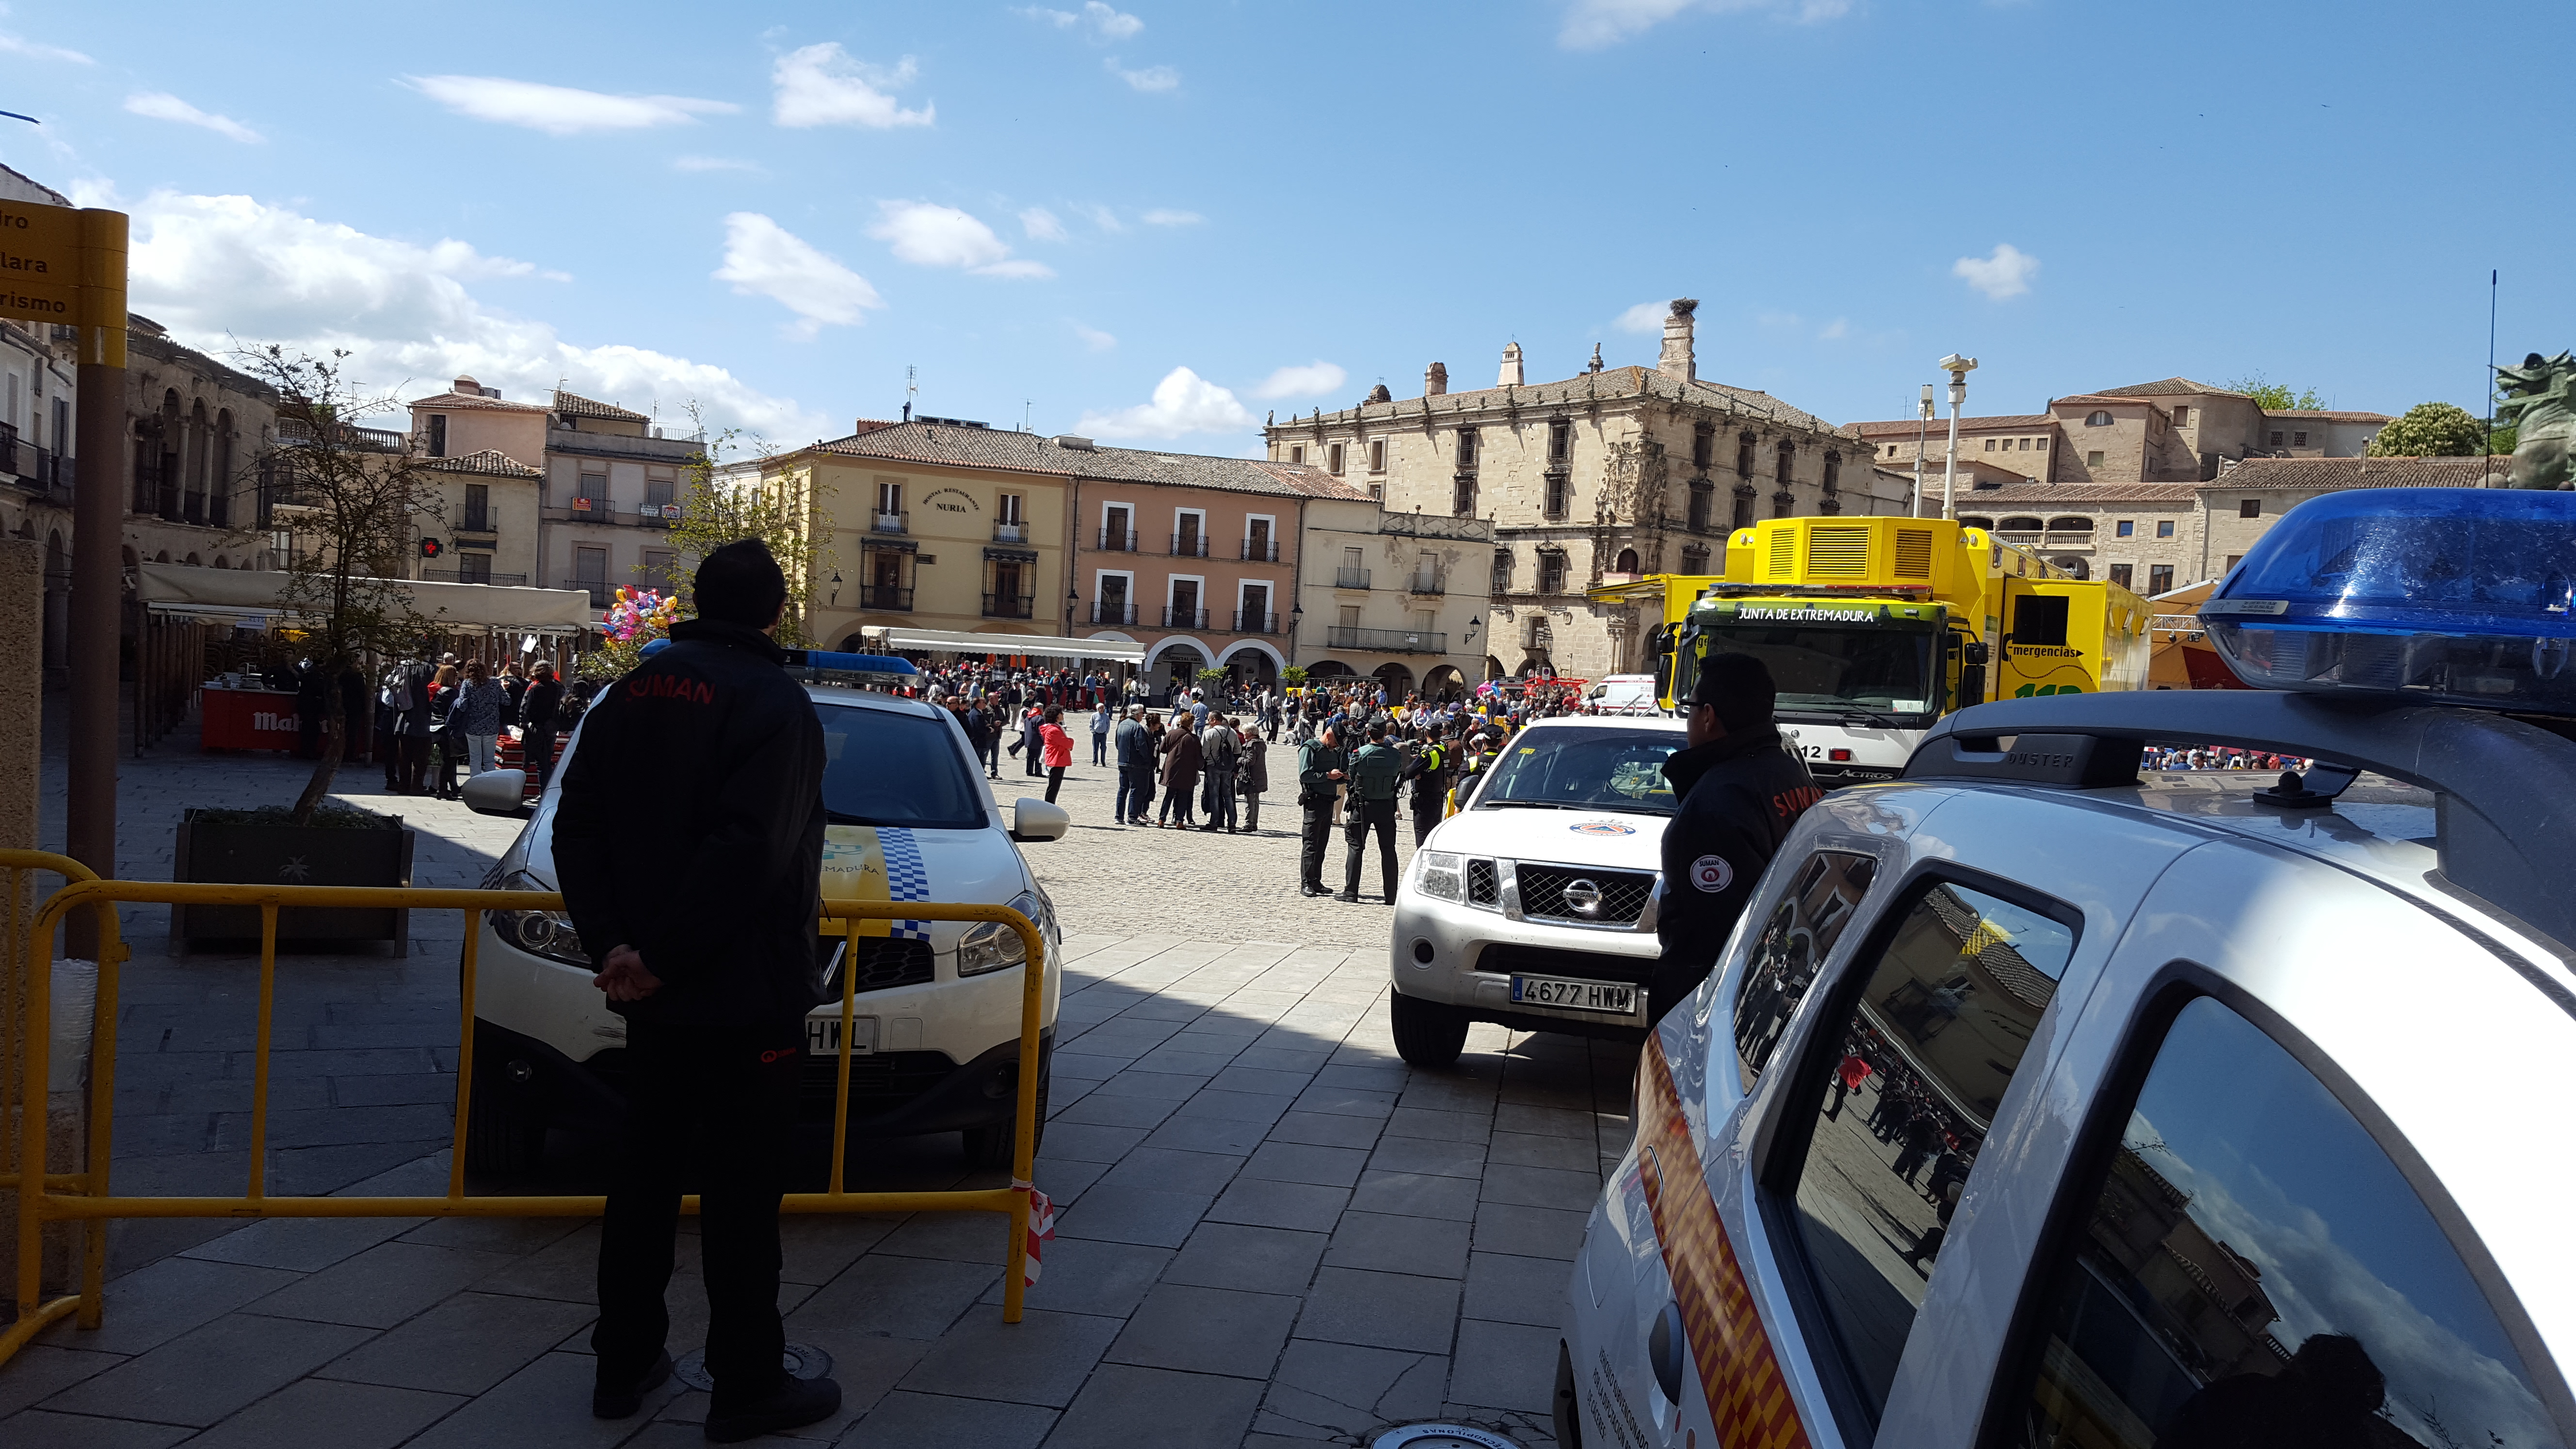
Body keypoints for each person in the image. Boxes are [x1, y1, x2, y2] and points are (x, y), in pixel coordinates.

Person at [551, 538, 842, 1441]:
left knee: (640, 1178)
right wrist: (665, 954)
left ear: (697, 602)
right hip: (744, 991)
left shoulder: (628, 692)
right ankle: (747, 1380)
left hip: (650, 993)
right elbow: (749, 848)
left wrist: (619, 948)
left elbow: (577, 826)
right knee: (742, 1196)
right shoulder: (774, 702)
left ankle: (621, 1361)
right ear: (773, 612)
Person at [1648, 653, 1821, 1026]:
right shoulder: (1791, 775)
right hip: (1783, 985)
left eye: (1690, 707)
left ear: (1709, 716)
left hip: (1718, 1008)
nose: (1689, 718)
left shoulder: (1716, 803)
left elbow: (1706, 937)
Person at [1338, 720, 1404, 902]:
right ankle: (1391, 895)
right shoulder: (1395, 755)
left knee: (1356, 847)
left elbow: (1352, 774)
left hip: (1363, 805)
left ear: (1368, 734)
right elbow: (1399, 771)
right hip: (1386, 805)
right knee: (1389, 850)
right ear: (1385, 733)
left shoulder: (1360, 754)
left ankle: (1351, 892)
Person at [1295, 723, 1349, 898]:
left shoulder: (1333, 752)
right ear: (1329, 735)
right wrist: (1327, 776)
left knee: (1322, 844)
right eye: (1336, 742)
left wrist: (1342, 777)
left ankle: (1316, 881)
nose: (1336, 746)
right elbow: (1305, 774)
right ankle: (1306, 883)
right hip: (1314, 802)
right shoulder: (1310, 748)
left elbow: (1334, 777)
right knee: (1310, 843)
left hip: (1328, 803)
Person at [454, 660, 506, 777]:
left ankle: (475, 785)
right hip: (491, 726)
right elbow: (506, 701)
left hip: (473, 726)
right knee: (489, 760)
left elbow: (461, 706)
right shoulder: (494, 683)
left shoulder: (467, 684)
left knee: (475, 759)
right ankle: (490, 786)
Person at [1401, 727, 1449, 845]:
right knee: (1433, 836)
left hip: (1424, 800)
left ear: (1426, 733)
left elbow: (1408, 773)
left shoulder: (1429, 753)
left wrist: (1418, 769)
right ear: (1441, 733)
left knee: (1422, 835)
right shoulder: (1444, 750)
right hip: (1438, 797)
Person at [521, 661, 564, 789]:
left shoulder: (535, 689)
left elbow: (528, 710)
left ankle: (544, 791)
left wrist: (525, 722)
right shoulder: (558, 688)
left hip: (537, 727)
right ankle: (547, 789)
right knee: (547, 760)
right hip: (551, 727)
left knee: (541, 763)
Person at [1158, 713, 1202, 828]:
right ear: (1191, 724)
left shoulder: (1171, 734)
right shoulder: (1194, 739)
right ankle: (1179, 821)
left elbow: (1162, 749)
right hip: (1187, 770)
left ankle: (1162, 819)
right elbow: (1199, 757)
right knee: (1183, 796)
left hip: (1171, 768)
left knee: (1169, 795)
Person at [1112, 704, 1154, 824]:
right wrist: (1147, 760)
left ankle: (1119, 817)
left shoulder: (1121, 725)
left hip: (1122, 761)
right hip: (1136, 764)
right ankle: (1132, 817)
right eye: (1142, 714)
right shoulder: (1137, 728)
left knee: (1123, 790)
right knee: (1136, 790)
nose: (1143, 716)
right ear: (1136, 714)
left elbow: (1117, 744)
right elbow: (1141, 747)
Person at [1199, 714, 1240, 832]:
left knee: (1214, 795)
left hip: (1213, 766)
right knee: (1228, 796)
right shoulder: (1232, 732)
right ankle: (1232, 823)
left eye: (1209, 719)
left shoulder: (1210, 733)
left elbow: (1205, 752)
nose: (1208, 722)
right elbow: (1238, 750)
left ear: (1215, 720)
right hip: (1227, 767)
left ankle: (1214, 823)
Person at [1237, 722, 1269, 833]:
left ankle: (1249, 824)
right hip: (1258, 777)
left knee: (1250, 801)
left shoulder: (1252, 746)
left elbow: (1250, 761)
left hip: (1251, 778)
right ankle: (1254, 823)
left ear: (1250, 733)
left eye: (1245, 732)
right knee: (1255, 801)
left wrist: (1240, 760)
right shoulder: (1260, 744)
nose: (1244, 735)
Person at [1039, 705, 1074, 805]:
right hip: (1057, 758)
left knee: (1055, 784)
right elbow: (1066, 743)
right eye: (1061, 713)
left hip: (1058, 757)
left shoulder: (1055, 727)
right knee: (1054, 785)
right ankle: (1049, 804)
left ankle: (1050, 804)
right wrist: (1071, 741)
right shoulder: (1054, 730)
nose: (1063, 715)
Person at [1089, 699, 1111, 766]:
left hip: (1103, 735)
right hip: (1096, 734)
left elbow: (1108, 725)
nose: (1102, 709)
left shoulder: (1106, 716)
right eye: (1101, 708)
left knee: (1104, 748)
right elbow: (1091, 724)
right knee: (1095, 749)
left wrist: (1106, 732)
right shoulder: (1094, 715)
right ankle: (1095, 761)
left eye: (1103, 708)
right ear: (1098, 709)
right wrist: (1093, 731)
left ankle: (1103, 761)